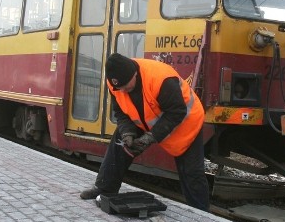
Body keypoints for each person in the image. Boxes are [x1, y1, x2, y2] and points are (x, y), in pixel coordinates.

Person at [79, 53, 210, 211]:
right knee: (119, 143)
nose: (125, 91)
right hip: (147, 117)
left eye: (128, 86)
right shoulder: (114, 84)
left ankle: (201, 212)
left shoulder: (161, 79)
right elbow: (121, 112)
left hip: (186, 123)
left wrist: (150, 137)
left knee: (191, 172)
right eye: (121, 88)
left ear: (135, 73)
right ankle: (105, 188)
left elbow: (177, 112)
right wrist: (127, 133)